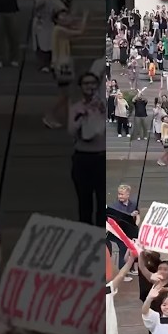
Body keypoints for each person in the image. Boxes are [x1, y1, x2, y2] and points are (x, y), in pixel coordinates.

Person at [68, 72, 105, 226]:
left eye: (92, 83)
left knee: (103, 201)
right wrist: (82, 115)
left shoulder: (103, 105)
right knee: (85, 201)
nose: (90, 86)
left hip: (101, 158)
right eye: (86, 83)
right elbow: (71, 131)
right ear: (81, 87)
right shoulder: (76, 108)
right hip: (83, 158)